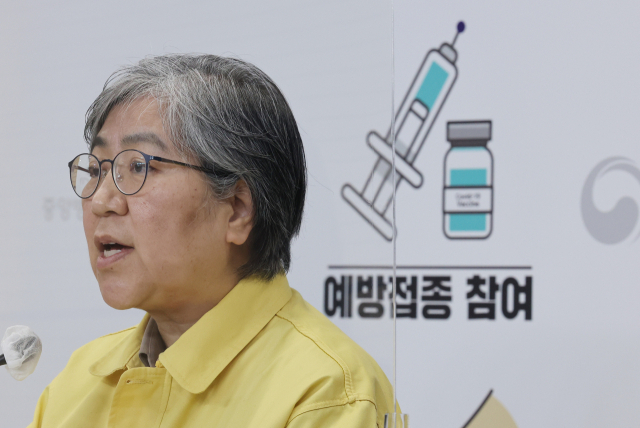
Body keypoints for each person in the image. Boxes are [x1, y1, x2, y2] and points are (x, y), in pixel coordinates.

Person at [29, 54, 395, 427]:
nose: (101, 201)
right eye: (96, 169)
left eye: (138, 167)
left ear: (237, 210)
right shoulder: (76, 382)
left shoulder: (327, 395)